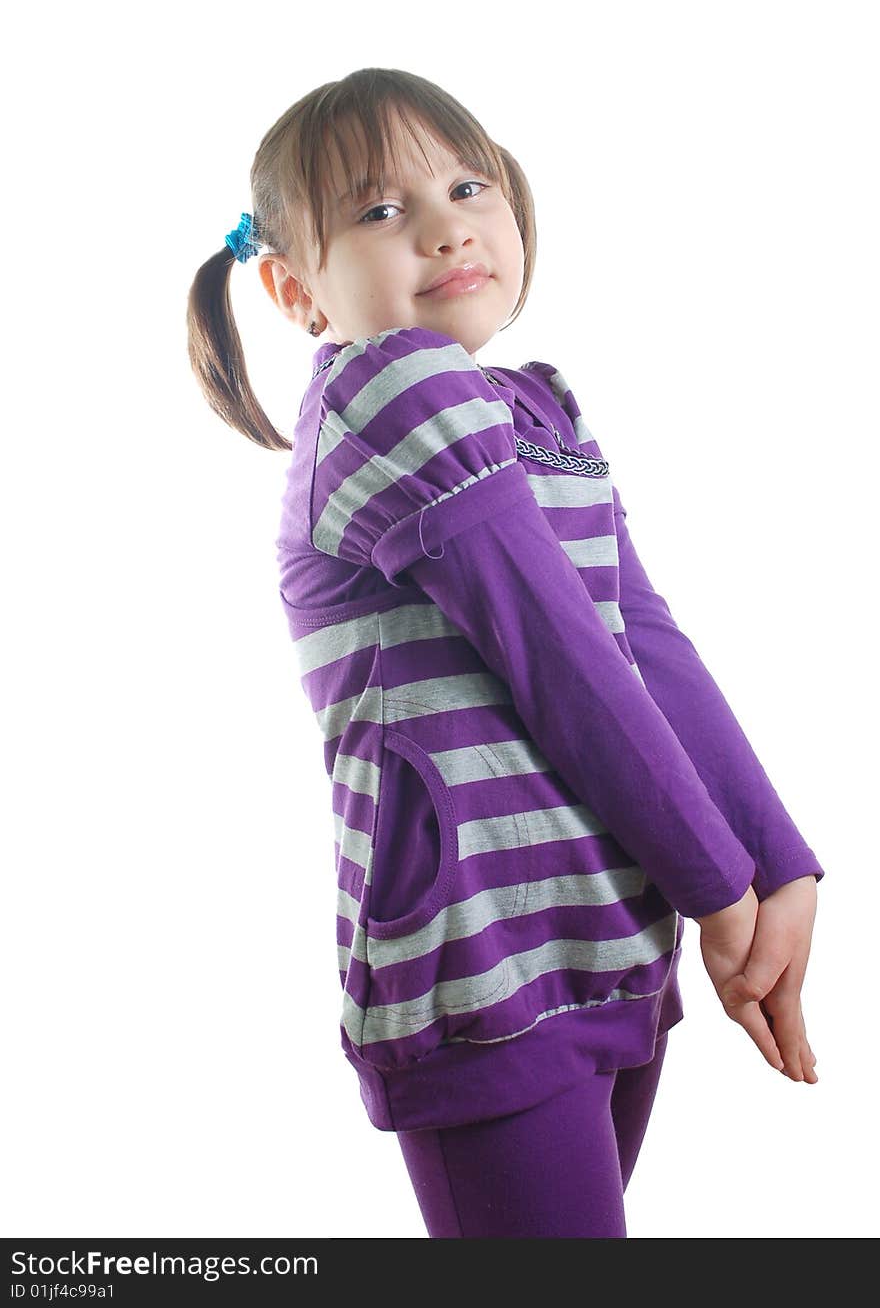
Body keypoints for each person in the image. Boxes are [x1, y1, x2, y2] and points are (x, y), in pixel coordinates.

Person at [186, 67, 824, 1238]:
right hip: (480, 956)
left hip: (608, 927)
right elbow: (560, 657)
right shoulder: (385, 392)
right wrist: (720, 884)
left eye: (468, 183)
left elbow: (646, 641)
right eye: (378, 210)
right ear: (294, 290)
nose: (444, 224)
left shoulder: (536, 408)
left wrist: (777, 866)